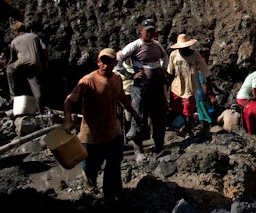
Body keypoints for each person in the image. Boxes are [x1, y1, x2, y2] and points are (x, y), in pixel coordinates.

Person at [63, 48, 142, 204]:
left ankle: (111, 193)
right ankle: (90, 185)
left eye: (109, 61)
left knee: (114, 162)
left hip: (113, 130)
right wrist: (68, 120)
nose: (106, 65)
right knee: (91, 166)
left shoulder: (117, 79)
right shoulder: (88, 80)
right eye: (103, 61)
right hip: (92, 134)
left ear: (115, 63)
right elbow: (70, 101)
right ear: (98, 62)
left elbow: (123, 99)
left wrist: (134, 114)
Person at [115, 18, 168, 155]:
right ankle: (138, 150)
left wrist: (163, 69)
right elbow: (118, 58)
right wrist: (130, 75)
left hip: (156, 86)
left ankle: (159, 146)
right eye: (147, 31)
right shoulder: (135, 45)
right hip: (140, 87)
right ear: (141, 31)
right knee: (138, 116)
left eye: (152, 31)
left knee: (159, 115)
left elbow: (165, 56)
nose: (150, 34)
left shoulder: (156, 45)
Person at [166, 33, 213, 136]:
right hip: (176, 87)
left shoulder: (196, 56)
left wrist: (210, 93)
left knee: (188, 110)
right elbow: (170, 72)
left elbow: (206, 73)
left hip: (190, 87)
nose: (183, 49)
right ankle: (180, 127)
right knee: (175, 109)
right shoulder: (174, 55)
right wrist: (166, 87)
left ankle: (187, 129)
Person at [6, 21, 47, 110]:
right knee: (36, 87)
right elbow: (44, 49)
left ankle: (13, 95)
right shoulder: (35, 37)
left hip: (22, 63)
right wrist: (45, 63)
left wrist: (6, 66)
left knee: (9, 69)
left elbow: (12, 59)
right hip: (35, 64)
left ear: (16, 31)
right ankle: (40, 109)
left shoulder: (15, 41)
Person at [195, 49, 218, 141]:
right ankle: (210, 134)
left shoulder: (196, 69)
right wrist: (211, 97)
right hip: (204, 97)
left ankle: (203, 134)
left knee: (201, 115)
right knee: (210, 114)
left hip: (197, 96)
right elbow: (204, 85)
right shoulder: (202, 70)